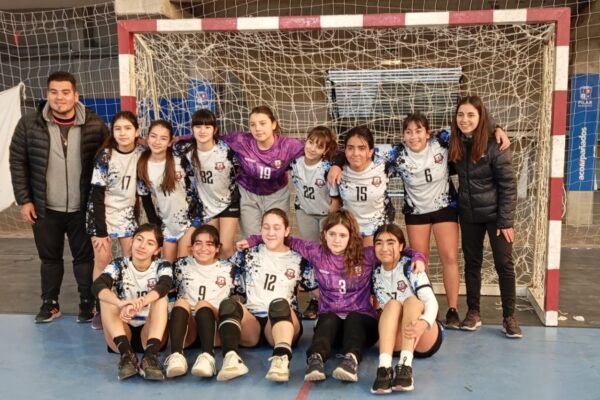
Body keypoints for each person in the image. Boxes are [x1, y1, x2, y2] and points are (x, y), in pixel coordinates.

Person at [249, 209, 425, 383]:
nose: (336, 240)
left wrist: (418, 257)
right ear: (325, 234)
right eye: (332, 234)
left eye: (342, 235)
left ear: (351, 237)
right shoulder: (316, 252)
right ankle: (316, 359)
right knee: (328, 318)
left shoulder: (365, 255)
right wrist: (254, 240)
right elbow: (282, 237)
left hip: (362, 325)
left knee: (355, 317)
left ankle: (351, 361)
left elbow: (398, 250)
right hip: (332, 328)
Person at [9, 71, 108, 323]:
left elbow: (110, 159)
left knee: (84, 258)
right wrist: (24, 199)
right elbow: (17, 162)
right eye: (53, 92)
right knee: (49, 259)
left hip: (82, 207)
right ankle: (50, 303)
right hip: (44, 207)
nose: (59, 97)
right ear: (47, 94)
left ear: (76, 95)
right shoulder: (29, 124)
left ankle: (88, 302)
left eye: (65, 92)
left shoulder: (95, 124)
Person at [448, 95, 521, 338]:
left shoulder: (494, 145)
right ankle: (474, 312)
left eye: (471, 115)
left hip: (496, 216)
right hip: (469, 214)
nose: (465, 119)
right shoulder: (455, 143)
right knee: (472, 264)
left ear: (481, 117)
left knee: (504, 264)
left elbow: (509, 184)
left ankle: (509, 317)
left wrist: (505, 220)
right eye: (461, 114)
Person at [219, 208, 316, 382]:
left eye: (277, 228)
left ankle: (281, 359)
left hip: (283, 321)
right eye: (266, 227)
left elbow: (319, 291)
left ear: (286, 230)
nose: (271, 232)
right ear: (261, 229)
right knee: (228, 304)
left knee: (278, 303)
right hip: (252, 324)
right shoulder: (248, 254)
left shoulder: (298, 259)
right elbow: (220, 277)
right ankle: (231, 359)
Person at [92, 223, 173, 380]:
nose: (142, 246)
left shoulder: (162, 266)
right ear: (132, 241)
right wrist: (120, 303)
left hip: (150, 332)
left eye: (150, 243)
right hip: (121, 330)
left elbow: (165, 284)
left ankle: (150, 357)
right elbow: (98, 285)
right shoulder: (118, 264)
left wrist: (141, 302)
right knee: (106, 296)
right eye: (139, 239)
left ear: (157, 250)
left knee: (161, 298)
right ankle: (127, 356)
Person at [86, 111, 144, 329]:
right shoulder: (105, 156)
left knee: (131, 261)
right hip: (101, 214)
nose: (123, 133)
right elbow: (96, 195)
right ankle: (100, 309)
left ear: (136, 131)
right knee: (103, 261)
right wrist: (101, 231)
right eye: (118, 128)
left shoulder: (141, 153)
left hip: (127, 214)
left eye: (128, 128)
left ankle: (127, 305)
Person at [370, 224, 443, 394]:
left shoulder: (411, 267)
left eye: (391, 242)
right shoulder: (374, 274)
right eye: (379, 243)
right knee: (392, 304)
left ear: (401, 246)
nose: (384, 248)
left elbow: (431, 302)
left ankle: (405, 366)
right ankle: (384, 368)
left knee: (411, 301)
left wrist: (424, 322)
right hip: (396, 340)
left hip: (422, 335)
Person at [220, 106, 305, 237]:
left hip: (277, 195)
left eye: (262, 123)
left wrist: (336, 165)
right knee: (252, 239)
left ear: (273, 124)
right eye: (253, 124)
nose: (257, 128)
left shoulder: (288, 145)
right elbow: (209, 138)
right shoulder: (241, 141)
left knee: (276, 237)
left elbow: (320, 146)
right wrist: (184, 139)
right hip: (248, 195)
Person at [164, 225, 235, 379]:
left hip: (215, 330)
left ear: (217, 248)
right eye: (198, 243)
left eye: (209, 244)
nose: (203, 248)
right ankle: (177, 356)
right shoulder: (180, 266)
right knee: (180, 303)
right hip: (187, 330)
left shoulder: (229, 269)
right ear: (191, 247)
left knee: (203, 305)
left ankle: (208, 357)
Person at [289, 125, 339, 319]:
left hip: (326, 214)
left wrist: (331, 221)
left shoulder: (327, 169)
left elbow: (335, 199)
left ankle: (332, 295)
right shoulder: (295, 163)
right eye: (310, 142)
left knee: (328, 254)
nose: (312, 148)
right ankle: (314, 299)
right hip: (305, 212)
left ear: (325, 151)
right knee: (311, 255)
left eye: (319, 146)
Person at [175, 109, 240, 258]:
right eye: (198, 126)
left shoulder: (226, 150)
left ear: (214, 130)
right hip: (206, 205)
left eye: (207, 127)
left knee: (225, 247)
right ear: (192, 129)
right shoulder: (185, 150)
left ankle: (232, 271)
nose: (202, 131)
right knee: (212, 246)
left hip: (228, 202)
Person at [137, 120, 195, 262]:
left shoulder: (179, 157)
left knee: (184, 264)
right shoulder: (142, 164)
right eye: (153, 136)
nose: (157, 142)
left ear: (170, 142)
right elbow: (146, 199)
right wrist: (156, 226)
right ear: (147, 137)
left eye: (163, 138)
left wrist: (179, 138)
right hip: (167, 224)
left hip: (190, 221)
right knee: (168, 266)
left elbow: (198, 139)